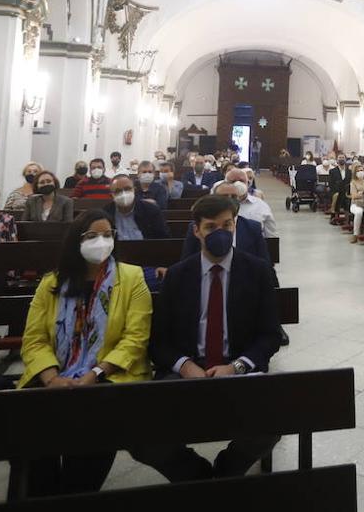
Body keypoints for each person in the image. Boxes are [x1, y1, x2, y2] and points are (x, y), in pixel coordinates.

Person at [138, 196, 281, 480]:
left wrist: (236, 367)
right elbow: (159, 342)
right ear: (197, 231)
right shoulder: (178, 276)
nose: (221, 233)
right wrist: (185, 366)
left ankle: (226, 473)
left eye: (227, 225)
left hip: (237, 368)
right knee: (143, 438)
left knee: (271, 425)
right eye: (211, 226)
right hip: (187, 372)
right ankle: (198, 478)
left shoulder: (257, 271)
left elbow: (269, 336)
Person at [19, 210, 152, 496]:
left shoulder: (132, 278)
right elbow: (34, 339)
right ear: (76, 241)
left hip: (108, 376)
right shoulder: (51, 283)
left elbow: (135, 338)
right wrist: (51, 377)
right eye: (92, 236)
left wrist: (95, 373)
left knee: (94, 426)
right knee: (34, 433)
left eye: (107, 235)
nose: (101, 242)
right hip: (55, 376)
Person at [219, 169, 277, 238]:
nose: (238, 184)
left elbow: (271, 235)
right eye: (233, 181)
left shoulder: (261, 206)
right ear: (225, 184)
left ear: (248, 183)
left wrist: (273, 248)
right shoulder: (217, 204)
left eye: (241, 181)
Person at [347, 164, 364, 243]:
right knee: (359, 213)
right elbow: (354, 196)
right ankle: (355, 235)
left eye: (361, 170)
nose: (360, 172)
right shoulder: (353, 183)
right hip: (356, 204)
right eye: (358, 171)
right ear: (355, 173)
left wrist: (360, 193)